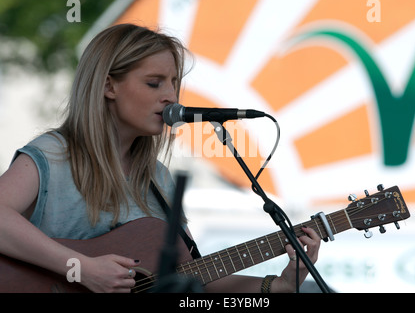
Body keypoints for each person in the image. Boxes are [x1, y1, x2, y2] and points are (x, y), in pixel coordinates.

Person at [0, 24, 321, 293]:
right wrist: (80, 267)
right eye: (154, 83)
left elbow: (191, 279)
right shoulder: (54, 154)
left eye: (174, 83)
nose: (170, 95)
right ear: (108, 85)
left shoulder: (158, 178)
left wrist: (278, 286)